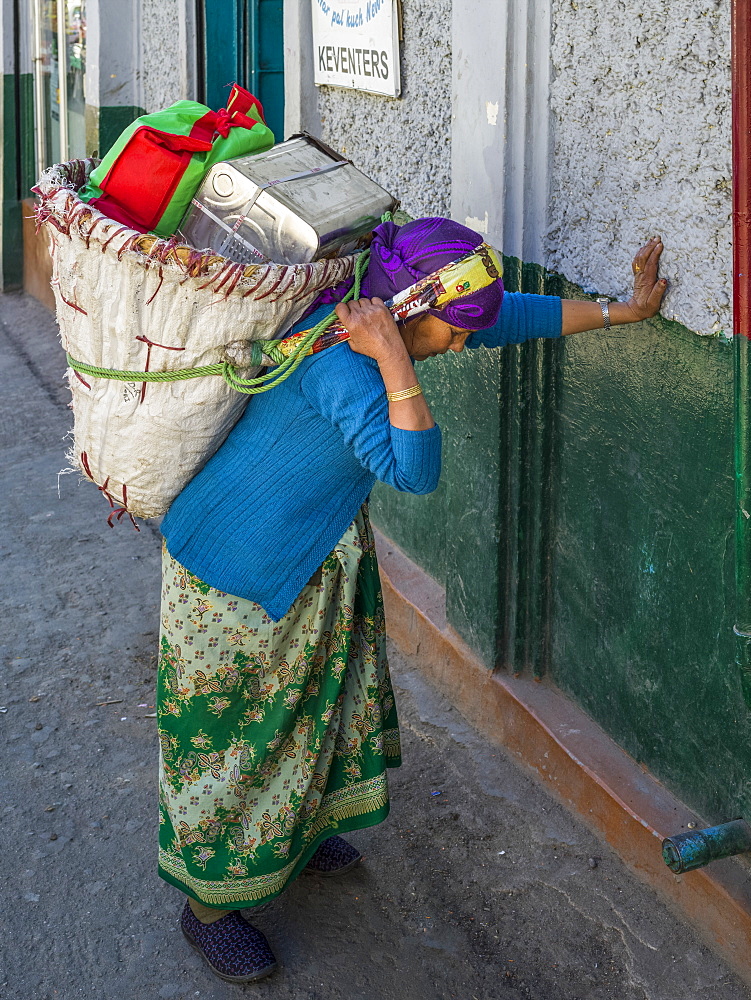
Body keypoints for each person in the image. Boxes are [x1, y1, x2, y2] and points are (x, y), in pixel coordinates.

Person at [157, 217, 666, 983]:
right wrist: (397, 363)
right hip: (233, 572)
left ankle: (289, 835)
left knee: (312, 712)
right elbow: (412, 470)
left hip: (305, 558)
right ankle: (207, 908)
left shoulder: (382, 303)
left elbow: (493, 320)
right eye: (448, 331)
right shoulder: (343, 362)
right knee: (234, 741)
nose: (461, 345)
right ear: (403, 311)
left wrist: (614, 311)